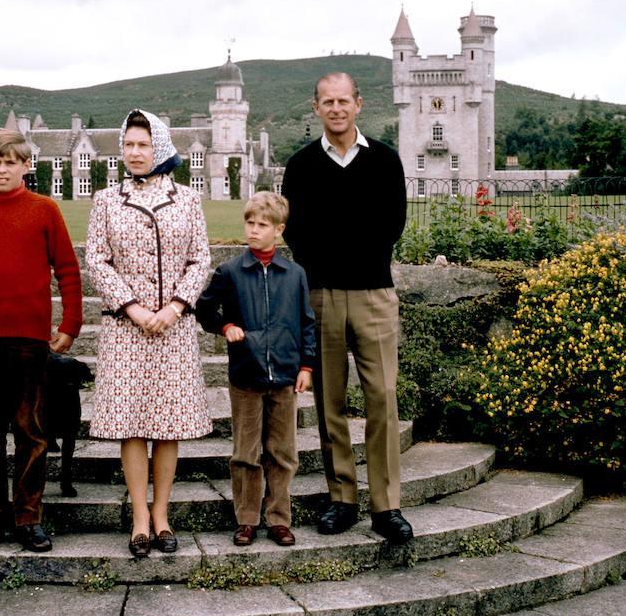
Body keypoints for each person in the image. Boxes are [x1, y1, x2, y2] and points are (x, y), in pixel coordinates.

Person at [281, 72, 413, 544]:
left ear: (359, 104)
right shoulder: (300, 166)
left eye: (344, 101)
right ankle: (342, 499)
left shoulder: (385, 161)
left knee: (381, 399)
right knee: (329, 402)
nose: (336, 108)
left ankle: (386, 506)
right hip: (321, 296)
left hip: (374, 293)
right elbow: (295, 232)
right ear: (315, 107)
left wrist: (350, 252)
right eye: (327, 102)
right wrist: (326, 262)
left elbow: (392, 223)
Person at [0, 129, 83, 554]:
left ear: (27, 166)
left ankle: (28, 518)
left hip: (29, 339)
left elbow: (68, 270)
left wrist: (71, 324)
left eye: (11, 162)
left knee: (31, 430)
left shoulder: (45, 211)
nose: (2, 169)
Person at [86, 109, 212, 558]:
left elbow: (201, 259)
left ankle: (162, 514)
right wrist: (135, 308)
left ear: (159, 147)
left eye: (142, 144)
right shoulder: (106, 200)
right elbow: (97, 260)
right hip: (126, 329)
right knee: (132, 424)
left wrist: (176, 306)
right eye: (128, 145)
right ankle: (139, 516)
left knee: (169, 423)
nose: (134, 153)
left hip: (174, 329)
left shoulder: (188, 200)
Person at [196, 192, 315, 547]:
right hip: (246, 377)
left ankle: (279, 518)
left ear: (278, 231)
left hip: (284, 377)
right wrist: (225, 326)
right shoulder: (230, 272)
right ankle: (246, 519)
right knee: (246, 453)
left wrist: (306, 366)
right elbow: (204, 310)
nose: (254, 230)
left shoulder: (294, 275)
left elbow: (307, 323)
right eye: (250, 223)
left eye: (262, 225)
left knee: (282, 453)